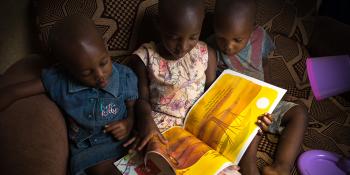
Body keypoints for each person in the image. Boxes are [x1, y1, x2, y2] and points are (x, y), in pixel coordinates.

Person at [0, 15, 138, 175]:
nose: (100, 75)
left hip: (127, 140)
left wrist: (129, 122)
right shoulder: (59, 81)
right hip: (92, 150)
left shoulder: (124, 76)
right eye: (87, 72)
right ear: (67, 68)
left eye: (103, 63)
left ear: (105, 46)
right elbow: (14, 92)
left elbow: (132, 105)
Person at [207, 0, 308, 174]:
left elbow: (265, 65)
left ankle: (281, 167)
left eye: (237, 39)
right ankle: (249, 168)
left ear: (252, 28)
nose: (228, 46)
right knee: (250, 129)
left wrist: (274, 95)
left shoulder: (261, 38)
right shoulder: (210, 47)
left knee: (300, 112)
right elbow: (209, 86)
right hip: (237, 110)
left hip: (264, 103)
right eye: (221, 38)